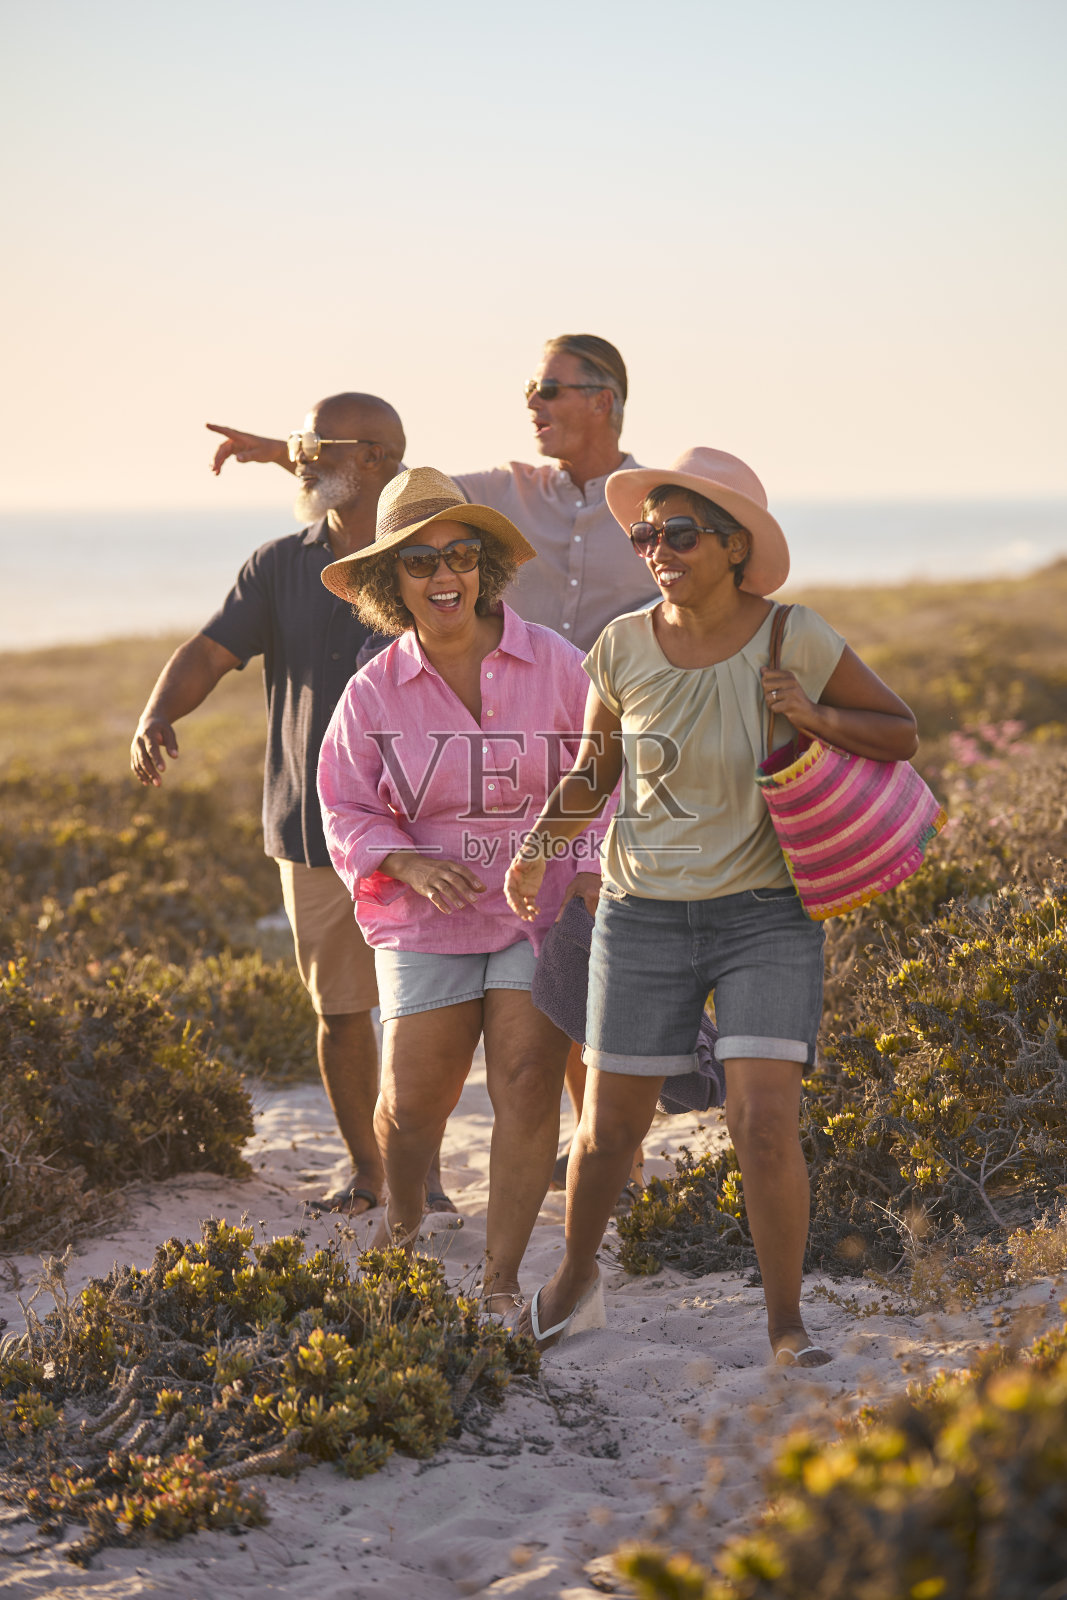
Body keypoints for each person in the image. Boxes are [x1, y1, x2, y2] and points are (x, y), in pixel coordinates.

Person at [207, 335, 658, 1194]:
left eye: (551, 388)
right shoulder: (496, 493)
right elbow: (395, 499)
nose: (533, 402)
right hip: (482, 766)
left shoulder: (650, 500)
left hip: (595, 767)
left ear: (604, 397)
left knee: (577, 1011)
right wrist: (288, 456)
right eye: (532, 387)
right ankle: (400, 1187)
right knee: (455, 1057)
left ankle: (611, 1163)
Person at [504, 447, 919, 1363]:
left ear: (734, 546)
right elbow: (593, 771)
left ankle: (785, 1326)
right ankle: (575, 1280)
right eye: (646, 533)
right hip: (642, 913)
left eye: (678, 532)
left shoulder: (794, 635)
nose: (656, 547)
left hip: (767, 915)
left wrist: (813, 716)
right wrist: (536, 848)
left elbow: (899, 731)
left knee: (762, 1122)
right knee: (610, 1130)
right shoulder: (619, 644)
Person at [130, 392, 453, 1219]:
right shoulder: (278, 563)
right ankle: (369, 1169)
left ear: (378, 458)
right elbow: (209, 650)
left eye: (319, 445)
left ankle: (423, 1170)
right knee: (343, 1012)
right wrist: (158, 711)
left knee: (429, 1012)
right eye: (301, 444)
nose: (302, 459)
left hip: (429, 827)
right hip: (311, 829)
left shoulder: (436, 559)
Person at [317, 466, 604, 1320]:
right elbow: (343, 802)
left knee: (523, 1077)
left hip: (536, 912)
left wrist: (584, 861)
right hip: (423, 918)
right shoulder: (371, 691)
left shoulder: (555, 661)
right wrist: (403, 862)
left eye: (460, 555)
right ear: (388, 582)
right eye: (419, 562)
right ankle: (404, 1222)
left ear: (484, 566)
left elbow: (604, 773)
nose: (444, 577)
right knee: (412, 1101)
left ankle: (499, 1279)